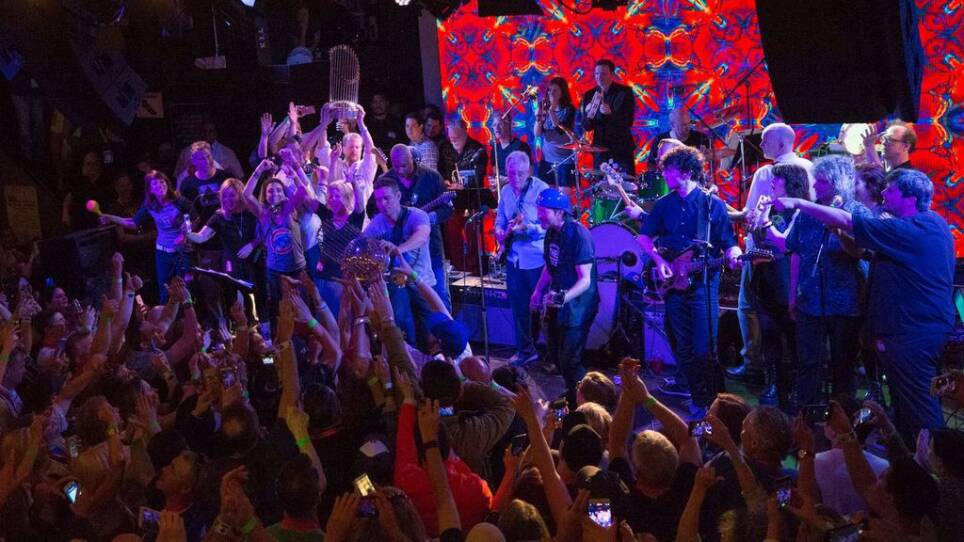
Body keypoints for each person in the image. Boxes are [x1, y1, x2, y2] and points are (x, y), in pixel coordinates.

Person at [774, 168, 955, 442]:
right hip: (917, 329)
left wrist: (799, 203)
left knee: (921, 406)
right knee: (906, 403)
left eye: (890, 190)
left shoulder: (909, 229)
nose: (882, 193)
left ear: (909, 198)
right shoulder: (932, 223)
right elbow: (862, 250)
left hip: (910, 332)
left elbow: (850, 220)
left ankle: (936, 470)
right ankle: (908, 456)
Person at [636, 146, 742, 418]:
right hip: (673, 285)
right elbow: (644, 237)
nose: (664, 175)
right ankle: (698, 397)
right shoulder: (664, 204)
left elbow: (729, 243)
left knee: (704, 347)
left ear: (685, 172)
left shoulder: (711, 204)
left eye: (668, 170)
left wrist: (735, 254)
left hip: (703, 283)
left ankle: (712, 400)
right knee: (682, 346)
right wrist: (659, 262)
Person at [727, 123, 813, 384]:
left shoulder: (767, 173)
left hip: (764, 255)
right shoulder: (810, 167)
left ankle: (753, 364)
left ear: (780, 143)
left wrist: (723, 209)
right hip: (798, 255)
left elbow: (752, 216)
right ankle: (794, 373)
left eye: (765, 140)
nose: (760, 145)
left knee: (750, 308)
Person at [785, 155, 871, 410]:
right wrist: (792, 295)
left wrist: (838, 230)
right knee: (808, 362)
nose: (816, 186)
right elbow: (795, 253)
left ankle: (842, 419)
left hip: (845, 302)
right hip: (809, 300)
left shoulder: (857, 212)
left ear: (838, 182)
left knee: (842, 364)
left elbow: (861, 253)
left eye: (822, 182)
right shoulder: (806, 214)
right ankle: (806, 416)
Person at [745, 163, 810, 407]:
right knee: (769, 337)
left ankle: (794, 389)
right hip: (765, 280)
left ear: (790, 183)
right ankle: (773, 384)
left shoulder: (800, 211)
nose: (772, 183)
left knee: (792, 339)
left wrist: (765, 221)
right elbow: (756, 236)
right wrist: (758, 216)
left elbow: (785, 244)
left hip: (787, 281)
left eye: (777, 180)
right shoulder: (772, 207)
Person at [529, 187, 598, 402]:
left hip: (577, 307)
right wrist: (538, 290)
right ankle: (575, 394)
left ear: (560, 212)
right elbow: (551, 266)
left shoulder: (578, 234)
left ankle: (586, 400)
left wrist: (560, 298)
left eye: (544, 211)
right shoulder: (551, 231)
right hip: (558, 304)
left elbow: (585, 280)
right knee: (557, 357)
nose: (539, 215)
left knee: (570, 359)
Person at [368, 145, 452, 309]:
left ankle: (445, 332)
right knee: (402, 307)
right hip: (397, 254)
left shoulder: (432, 177)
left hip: (429, 248)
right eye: (396, 165)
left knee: (438, 295)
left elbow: (447, 208)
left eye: (404, 165)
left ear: (412, 159)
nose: (399, 170)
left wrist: (432, 217)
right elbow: (371, 208)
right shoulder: (387, 179)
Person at [363, 177, 436, 349]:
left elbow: (422, 236)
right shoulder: (377, 223)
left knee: (430, 329)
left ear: (398, 195)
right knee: (402, 327)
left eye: (386, 198)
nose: (382, 204)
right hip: (397, 285)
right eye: (378, 199)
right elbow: (362, 243)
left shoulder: (417, 215)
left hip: (421, 280)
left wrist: (398, 249)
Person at [99, 170, 192, 303]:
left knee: (184, 288)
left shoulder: (179, 200)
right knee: (165, 290)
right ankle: (168, 321)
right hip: (162, 252)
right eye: (155, 184)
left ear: (166, 182)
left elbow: (195, 217)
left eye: (161, 182)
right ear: (150, 189)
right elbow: (132, 222)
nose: (160, 186)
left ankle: (190, 317)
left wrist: (185, 233)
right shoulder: (150, 205)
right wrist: (111, 217)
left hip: (181, 251)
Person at [494, 151, 548, 368]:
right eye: (511, 173)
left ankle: (549, 354)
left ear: (529, 172)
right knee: (519, 308)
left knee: (542, 307)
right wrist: (499, 231)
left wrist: (529, 228)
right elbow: (500, 219)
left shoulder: (541, 189)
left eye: (520, 173)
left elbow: (549, 224)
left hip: (536, 258)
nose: (515, 178)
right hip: (514, 258)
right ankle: (525, 350)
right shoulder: (506, 191)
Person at [184, 177, 259, 320]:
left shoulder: (249, 212)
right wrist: (187, 233)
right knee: (235, 296)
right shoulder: (219, 216)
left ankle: (258, 327)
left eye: (232, 195)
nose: (228, 199)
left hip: (253, 260)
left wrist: (252, 245)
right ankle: (241, 325)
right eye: (224, 196)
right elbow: (201, 237)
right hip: (231, 262)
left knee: (256, 295)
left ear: (240, 195)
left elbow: (264, 233)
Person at [313, 181, 363, 316]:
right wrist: (295, 172)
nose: (333, 199)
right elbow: (308, 198)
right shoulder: (327, 216)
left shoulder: (355, 219)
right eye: (331, 196)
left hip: (342, 278)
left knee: (340, 316)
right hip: (322, 274)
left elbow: (360, 203)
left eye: (337, 196)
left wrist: (353, 180)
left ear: (346, 197)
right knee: (322, 316)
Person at [580, 59, 636, 173]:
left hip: (621, 149)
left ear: (612, 74)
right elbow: (587, 126)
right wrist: (589, 115)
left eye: (603, 73)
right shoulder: (589, 94)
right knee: (601, 185)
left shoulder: (624, 92)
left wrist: (611, 114)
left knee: (624, 184)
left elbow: (628, 121)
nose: (599, 77)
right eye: (596, 73)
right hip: (600, 149)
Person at [328, 105, 378, 228]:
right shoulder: (337, 164)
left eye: (357, 147)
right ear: (343, 148)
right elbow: (331, 187)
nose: (354, 150)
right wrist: (333, 161)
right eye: (351, 147)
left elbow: (370, 149)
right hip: (340, 224)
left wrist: (361, 124)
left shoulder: (365, 166)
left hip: (363, 224)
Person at [533, 77, 577, 190]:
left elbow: (560, 130)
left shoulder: (569, 109)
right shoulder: (543, 108)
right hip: (547, 160)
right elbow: (537, 134)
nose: (551, 93)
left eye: (555, 90)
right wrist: (538, 118)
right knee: (549, 198)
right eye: (549, 90)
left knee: (563, 198)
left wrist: (551, 110)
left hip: (564, 161)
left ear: (562, 92)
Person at [174, 121, 244, 180]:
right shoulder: (186, 152)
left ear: (215, 133)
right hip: (194, 188)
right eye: (204, 131)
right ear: (200, 133)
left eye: (210, 131)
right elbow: (178, 175)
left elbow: (239, 176)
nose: (207, 134)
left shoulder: (227, 153)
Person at [62, 150, 113, 231]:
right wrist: (65, 213)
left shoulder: (106, 181)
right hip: (82, 225)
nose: (91, 167)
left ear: (98, 164)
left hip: (100, 224)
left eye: (94, 163)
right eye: (88, 164)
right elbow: (69, 198)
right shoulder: (81, 182)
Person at [438, 118, 487, 187]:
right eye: (451, 138)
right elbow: (440, 169)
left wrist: (462, 186)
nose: (453, 141)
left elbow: (479, 176)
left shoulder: (477, 150)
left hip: (470, 194)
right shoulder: (445, 147)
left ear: (465, 132)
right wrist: (444, 181)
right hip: (449, 192)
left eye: (456, 138)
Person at [490, 114, 532, 179]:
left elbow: (528, 175)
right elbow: (495, 173)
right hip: (501, 188)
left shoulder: (521, 147)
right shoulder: (495, 148)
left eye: (500, 124)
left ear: (509, 126)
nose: (497, 128)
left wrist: (506, 181)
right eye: (494, 125)